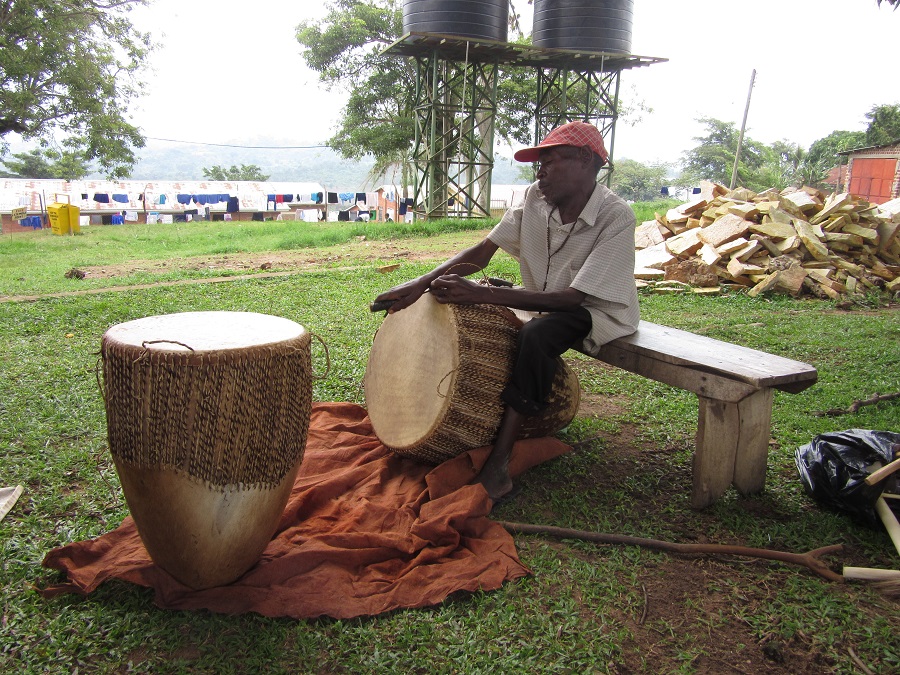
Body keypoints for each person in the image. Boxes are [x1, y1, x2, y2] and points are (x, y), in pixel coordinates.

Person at [373, 121, 639, 504]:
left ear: (585, 160)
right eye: (538, 164)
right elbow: (482, 252)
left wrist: (489, 297)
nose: (540, 171)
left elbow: (573, 299)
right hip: (547, 299)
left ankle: (499, 463)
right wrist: (422, 281)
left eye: (550, 160)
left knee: (535, 336)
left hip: (596, 311)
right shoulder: (535, 199)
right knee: (500, 304)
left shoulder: (616, 217)